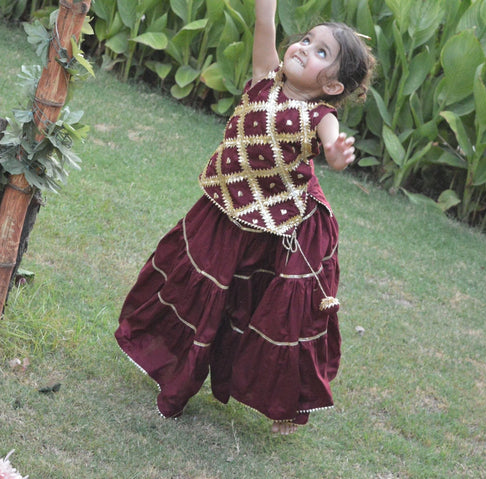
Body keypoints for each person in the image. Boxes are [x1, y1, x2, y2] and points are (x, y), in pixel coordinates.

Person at [115, 0, 375, 435]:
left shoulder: (320, 115)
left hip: (283, 225)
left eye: (321, 53)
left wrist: (335, 153)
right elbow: (264, 23)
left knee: (272, 311)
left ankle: (285, 403)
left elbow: (331, 143)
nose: (304, 47)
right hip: (228, 206)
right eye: (306, 39)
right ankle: (170, 363)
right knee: (196, 281)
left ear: (332, 87)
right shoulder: (263, 79)